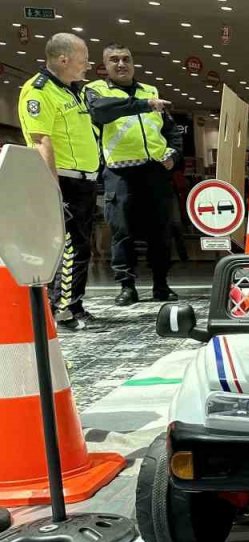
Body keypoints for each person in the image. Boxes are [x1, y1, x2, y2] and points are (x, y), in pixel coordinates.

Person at [85, 42, 183, 307]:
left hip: (154, 171)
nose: (121, 64)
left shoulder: (151, 91)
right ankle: (127, 287)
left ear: (133, 63)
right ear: (104, 66)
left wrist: (173, 155)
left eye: (126, 59)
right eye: (114, 60)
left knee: (160, 231)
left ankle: (161, 285)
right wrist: (144, 104)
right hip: (120, 171)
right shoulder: (96, 91)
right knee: (122, 232)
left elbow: (171, 130)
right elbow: (102, 112)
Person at [18, 33, 99, 331]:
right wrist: (52, 189)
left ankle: (73, 305)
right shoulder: (39, 92)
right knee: (67, 247)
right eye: (84, 58)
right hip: (63, 181)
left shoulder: (71, 90)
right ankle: (61, 311)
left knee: (80, 247)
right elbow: (41, 141)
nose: (88, 65)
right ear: (64, 59)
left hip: (83, 181)